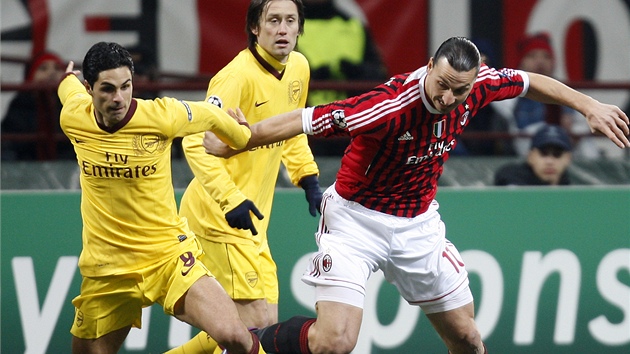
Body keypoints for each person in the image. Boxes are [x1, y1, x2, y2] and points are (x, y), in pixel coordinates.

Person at [203, 36, 630, 354]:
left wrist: (588, 106)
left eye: (459, 91)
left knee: (466, 336)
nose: (448, 98)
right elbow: (302, 119)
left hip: (419, 225)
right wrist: (236, 139)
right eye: (442, 84)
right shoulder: (386, 106)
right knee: (335, 342)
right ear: (429, 66)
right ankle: (256, 343)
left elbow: (529, 81)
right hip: (356, 221)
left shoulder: (477, 86)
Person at [59, 41, 264, 354]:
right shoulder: (74, 117)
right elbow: (67, 88)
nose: (119, 98)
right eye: (108, 89)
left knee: (235, 335)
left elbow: (209, 114)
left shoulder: (162, 116)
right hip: (107, 268)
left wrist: (241, 138)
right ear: (89, 88)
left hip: (167, 256)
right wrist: (66, 78)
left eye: (126, 86)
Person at [167, 1, 321, 353]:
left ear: (300, 28)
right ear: (255, 27)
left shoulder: (298, 66)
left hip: (253, 222)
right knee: (255, 327)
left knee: (249, 329)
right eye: (273, 21)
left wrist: (307, 175)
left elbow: (291, 125)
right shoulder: (236, 77)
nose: (282, 30)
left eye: (290, 21)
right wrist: (230, 198)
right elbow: (194, 141)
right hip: (219, 217)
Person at [299, 0, 388, 155]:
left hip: (354, 128)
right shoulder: (286, 28)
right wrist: (312, 76)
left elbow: (379, 76)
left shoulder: (353, 26)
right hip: (308, 132)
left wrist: (357, 72)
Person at [491, 32, 597, 158]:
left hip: (566, 147)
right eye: (532, 56)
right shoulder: (509, 90)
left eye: (546, 57)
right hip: (529, 149)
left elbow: (583, 125)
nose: (540, 62)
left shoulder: (565, 89)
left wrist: (569, 128)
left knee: (583, 136)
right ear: (521, 62)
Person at [2, 51, 73, 160]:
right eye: (43, 68)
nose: (52, 73)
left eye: (57, 68)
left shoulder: (72, 104)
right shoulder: (20, 104)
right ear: (31, 77)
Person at [494, 124, 573, 186]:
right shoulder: (513, 177)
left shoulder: (573, 191)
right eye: (543, 153)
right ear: (530, 157)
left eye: (557, 154)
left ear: (568, 159)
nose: (549, 161)